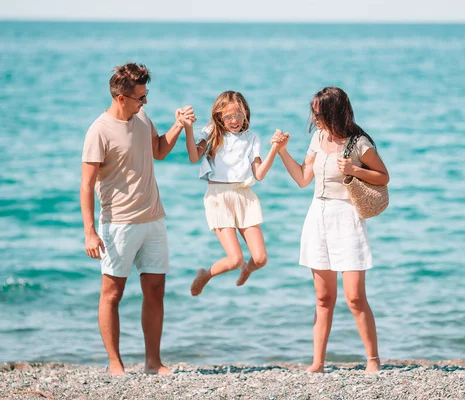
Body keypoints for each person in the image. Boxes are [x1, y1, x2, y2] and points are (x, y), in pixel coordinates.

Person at [80, 62, 195, 376]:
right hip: (118, 223)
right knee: (112, 293)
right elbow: (86, 184)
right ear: (121, 98)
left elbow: (158, 151)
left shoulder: (142, 117)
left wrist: (177, 125)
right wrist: (90, 232)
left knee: (156, 290)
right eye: (140, 97)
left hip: (154, 219)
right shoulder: (99, 131)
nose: (145, 102)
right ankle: (115, 363)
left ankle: (153, 363)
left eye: (146, 96)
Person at [271, 87, 389, 373]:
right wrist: (282, 152)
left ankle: (372, 360)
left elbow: (384, 176)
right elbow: (302, 178)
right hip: (317, 218)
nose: (314, 117)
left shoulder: (359, 143)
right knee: (323, 298)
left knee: (354, 298)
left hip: (346, 218)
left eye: (318, 112)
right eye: (313, 111)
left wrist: (355, 169)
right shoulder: (317, 138)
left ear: (334, 112)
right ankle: (318, 363)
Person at [183, 91, 281, 296]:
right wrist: (188, 128)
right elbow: (193, 157)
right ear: (220, 116)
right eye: (228, 116)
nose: (234, 121)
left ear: (246, 114)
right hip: (218, 197)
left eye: (239, 115)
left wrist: (275, 149)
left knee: (261, 259)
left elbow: (259, 174)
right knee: (235, 258)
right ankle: (205, 275)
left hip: (244, 196)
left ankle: (247, 269)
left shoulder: (252, 138)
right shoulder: (211, 132)